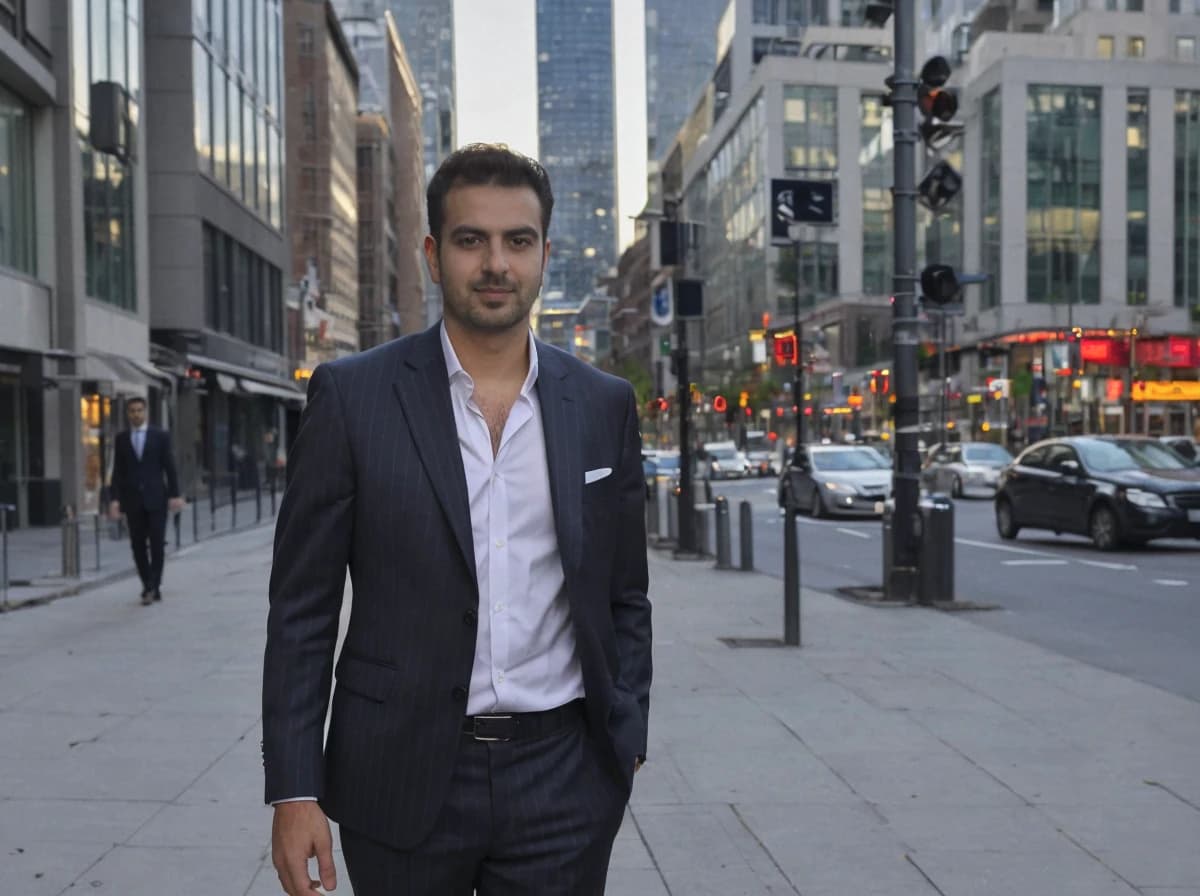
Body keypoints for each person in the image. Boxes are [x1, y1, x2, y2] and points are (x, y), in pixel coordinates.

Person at [263, 143, 652, 896]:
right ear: (434, 255)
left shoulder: (604, 404)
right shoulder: (353, 398)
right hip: (398, 775)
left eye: (518, 241)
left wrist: (624, 738)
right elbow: (302, 612)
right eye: (472, 240)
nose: (496, 263)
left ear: (546, 254)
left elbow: (624, 593)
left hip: (563, 778)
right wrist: (293, 788)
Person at [108, 396, 183, 605]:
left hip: (157, 498)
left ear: (146, 412)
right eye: (132, 411)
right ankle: (147, 584)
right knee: (137, 545)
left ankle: (155, 585)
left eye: (139, 410)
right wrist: (114, 499)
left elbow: (169, 466)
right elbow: (118, 472)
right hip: (132, 500)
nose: (136, 414)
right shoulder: (122, 439)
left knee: (157, 543)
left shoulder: (160, 436)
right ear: (127, 414)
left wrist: (175, 495)